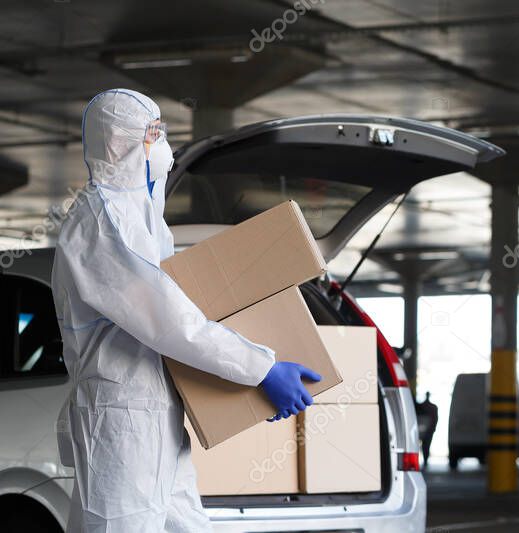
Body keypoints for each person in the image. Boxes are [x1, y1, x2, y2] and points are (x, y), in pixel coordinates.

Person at [52, 89, 320, 532]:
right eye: (153, 133)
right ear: (123, 141)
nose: (163, 145)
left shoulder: (142, 216)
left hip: (156, 413)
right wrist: (260, 370)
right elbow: (170, 323)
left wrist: (242, 387)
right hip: (122, 418)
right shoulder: (102, 221)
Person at [416, 391, 439, 466]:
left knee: (425, 445)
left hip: (426, 429)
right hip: (427, 429)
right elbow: (435, 418)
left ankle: (425, 459)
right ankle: (425, 459)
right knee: (426, 445)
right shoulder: (432, 407)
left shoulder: (422, 406)